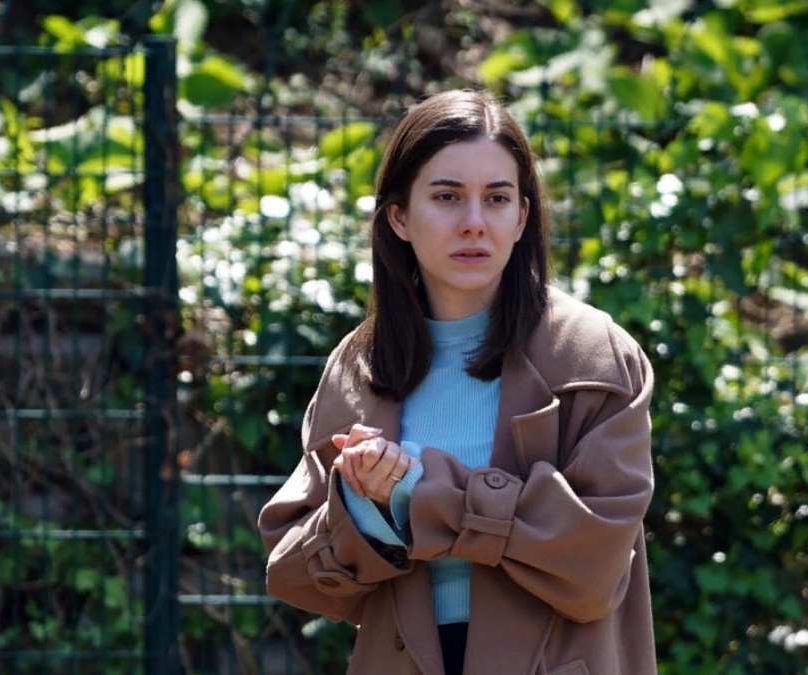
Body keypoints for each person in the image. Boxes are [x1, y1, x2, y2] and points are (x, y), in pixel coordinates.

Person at [258, 89, 656, 675]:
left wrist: (417, 493)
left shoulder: (592, 355)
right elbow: (299, 572)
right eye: (447, 197)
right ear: (398, 216)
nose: (474, 223)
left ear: (522, 218)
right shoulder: (357, 367)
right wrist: (368, 508)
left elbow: (595, 567)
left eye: (497, 198)